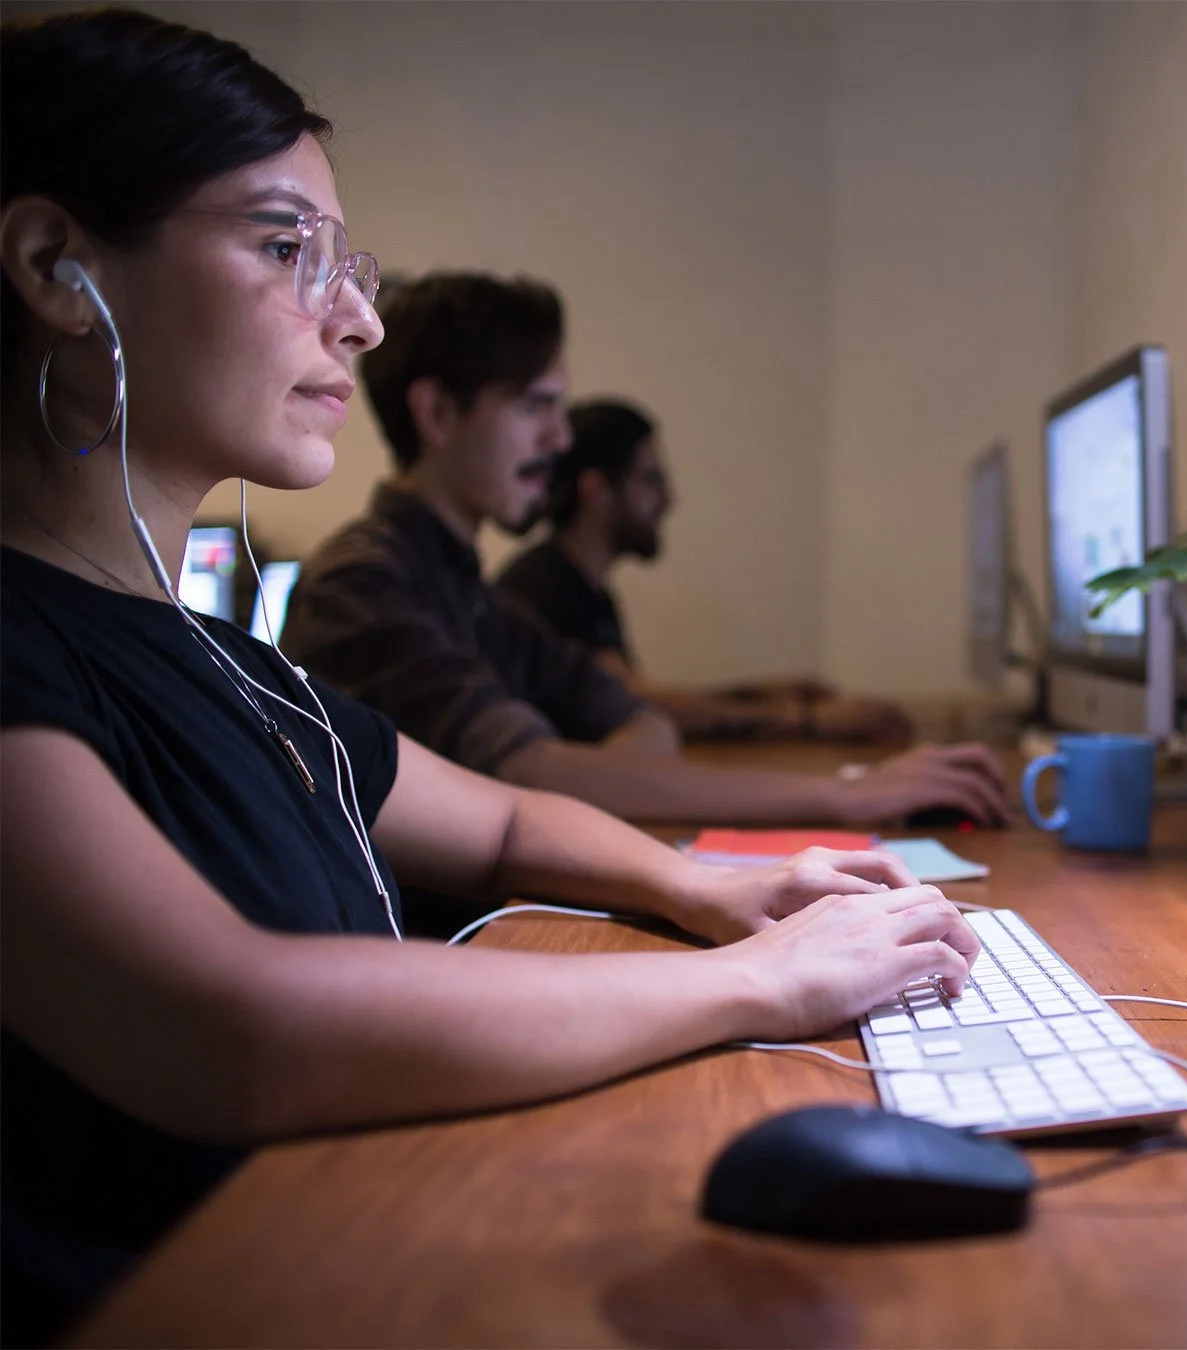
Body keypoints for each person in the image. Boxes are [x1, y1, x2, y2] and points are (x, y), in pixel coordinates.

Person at [0, 12, 979, 1341]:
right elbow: (235, 1025)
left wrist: (714, 883)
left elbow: (506, 813)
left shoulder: (230, 661)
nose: (355, 319)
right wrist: (766, 981)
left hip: (348, 1240)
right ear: (60, 265)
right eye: (288, 248)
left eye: (350, 266)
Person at [282, 273, 1010, 827]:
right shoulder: (364, 586)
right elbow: (540, 776)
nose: (561, 440)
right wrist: (847, 793)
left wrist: (590, 771)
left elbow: (637, 720)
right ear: (438, 413)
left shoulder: (467, 591)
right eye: (538, 406)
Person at [495, 398, 912, 742]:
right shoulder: (545, 586)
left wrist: (760, 694)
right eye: (651, 480)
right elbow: (634, 703)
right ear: (596, 489)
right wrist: (805, 720)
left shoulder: (586, 590)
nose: (668, 499)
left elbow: (632, 697)